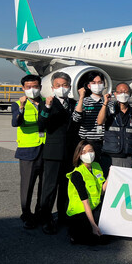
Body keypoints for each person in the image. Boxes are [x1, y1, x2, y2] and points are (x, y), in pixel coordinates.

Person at [37, 71, 78, 234]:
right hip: (53, 152)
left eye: (65, 85)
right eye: (58, 86)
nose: (62, 88)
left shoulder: (75, 103)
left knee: (66, 187)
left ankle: (63, 216)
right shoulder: (47, 103)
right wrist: (46, 107)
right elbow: (42, 124)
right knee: (49, 187)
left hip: (69, 152)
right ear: (52, 87)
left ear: (69, 86)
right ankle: (45, 218)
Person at [11, 74, 45, 229]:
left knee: (44, 186)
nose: (32, 89)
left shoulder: (47, 102)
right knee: (27, 185)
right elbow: (15, 122)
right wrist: (22, 107)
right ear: (23, 88)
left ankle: (40, 213)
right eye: (29, 87)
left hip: (46, 150)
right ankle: (26, 214)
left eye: (35, 86)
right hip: (28, 151)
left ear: (40, 87)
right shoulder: (17, 104)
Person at [66, 140, 108, 245]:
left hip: (94, 207)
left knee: (105, 238)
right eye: (84, 152)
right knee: (93, 240)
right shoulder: (77, 174)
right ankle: (74, 233)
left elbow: (101, 192)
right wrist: (93, 225)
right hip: (81, 210)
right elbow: (85, 202)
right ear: (78, 154)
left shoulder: (96, 166)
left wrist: (111, 176)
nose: (88, 154)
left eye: (90, 150)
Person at [97, 82, 132, 172]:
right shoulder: (109, 110)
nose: (123, 94)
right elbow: (100, 121)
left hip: (127, 157)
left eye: (125, 92)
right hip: (110, 157)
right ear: (115, 94)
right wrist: (105, 103)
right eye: (120, 92)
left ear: (130, 94)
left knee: (125, 185)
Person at [72, 71, 106, 159]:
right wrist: (81, 97)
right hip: (87, 141)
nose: (97, 85)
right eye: (93, 83)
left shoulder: (108, 102)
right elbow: (76, 118)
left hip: (104, 142)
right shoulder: (84, 101)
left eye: (100, 82)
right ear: (89, 86)